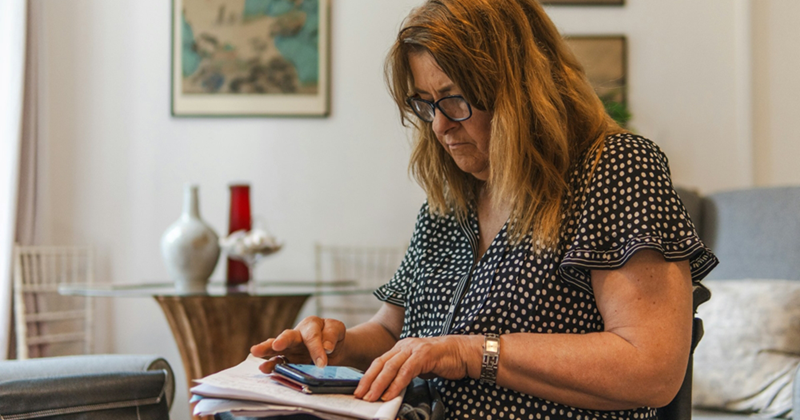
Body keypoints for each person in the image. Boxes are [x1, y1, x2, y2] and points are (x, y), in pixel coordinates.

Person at [251, 1, 718, 419]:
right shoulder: (451, 201)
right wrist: (334, 346)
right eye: (425, 104)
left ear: (519, 92)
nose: (438, 126)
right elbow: (393, 331)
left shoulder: (614, 168)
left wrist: (472, 353)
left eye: (453, 99)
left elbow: (650, 369)